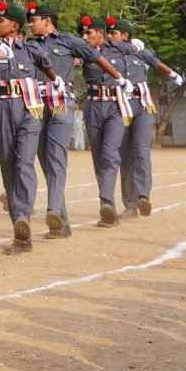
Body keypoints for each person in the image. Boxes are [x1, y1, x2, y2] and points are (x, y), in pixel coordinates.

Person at [27, 2, 121, 239]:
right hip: (36, 107)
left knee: (56, 157)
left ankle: (53, 210)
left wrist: (119, 78)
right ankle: (62, 224)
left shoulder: (68, 41)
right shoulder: (28, 45)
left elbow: (95, 57)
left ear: (47, 21)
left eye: (34, 20)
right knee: (45, 161)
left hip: (61, 104)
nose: (30, 24)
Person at [0, 1, 59, 255]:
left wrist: (55, 80)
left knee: (24, 162)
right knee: (8, 166)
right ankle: (21, 234)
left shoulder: (30, 49)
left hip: (29, 109)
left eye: (0, 21)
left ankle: (23, 217)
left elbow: (46, 64)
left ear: (14, 26)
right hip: (3, 108)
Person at [107, 18, 184, 218]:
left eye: (113, 33)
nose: (109, 36)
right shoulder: (108, 53)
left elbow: (157, 64)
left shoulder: (142, 53)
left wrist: (173, 74)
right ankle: (130, 205)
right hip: (121, 107)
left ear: (124, 35)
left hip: (142, 106)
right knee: (125, 155)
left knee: (141, 151)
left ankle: (143, 197)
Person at [77, 14, 135, 227]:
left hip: (115, 106)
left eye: (88, 32)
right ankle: (107, 207)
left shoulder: (119, 48)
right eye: (82, 33)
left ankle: (107, 203)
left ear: (100, 33)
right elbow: (71, 61)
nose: (84, 36)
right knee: (98, 157)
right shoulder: (82, 52)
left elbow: (140, 52)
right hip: (92, 106)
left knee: (111, 153)